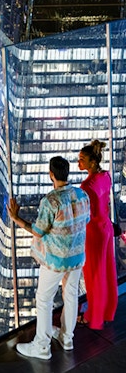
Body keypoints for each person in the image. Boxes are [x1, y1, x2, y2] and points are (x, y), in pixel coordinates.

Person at [7, 156, 90, 360]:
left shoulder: (51, 201)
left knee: (43, 299)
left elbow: (38, 231)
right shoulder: (82, 195)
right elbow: (85, 220)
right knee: (70, 295)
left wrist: (16, 218)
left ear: (51, 174)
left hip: (56, 260)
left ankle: (42, 346)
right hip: (77, 256)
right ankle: (67, 338)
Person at [78, 139, 118, 329]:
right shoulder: (106, 176)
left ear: (91, 162)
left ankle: (93, 316)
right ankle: (108, 310)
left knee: (94, 275)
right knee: (107, 271)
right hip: (107, 227)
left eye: (82, 159)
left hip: (94, 231)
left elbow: (88, 215)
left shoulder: (86, 187)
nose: (79, 163)